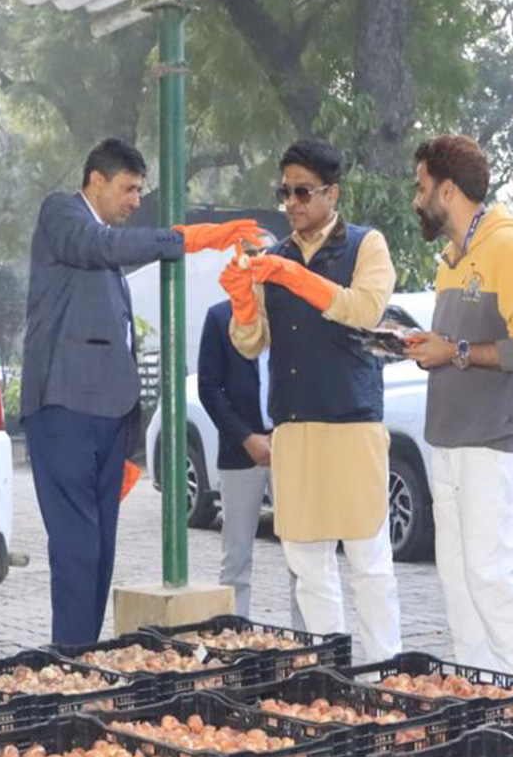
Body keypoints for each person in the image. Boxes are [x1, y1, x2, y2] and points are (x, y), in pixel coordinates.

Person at [22, 138, 261, 646]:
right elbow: (98, 247)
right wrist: (184, 239)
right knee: (77, 546)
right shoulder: (63, 215)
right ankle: (70, 657)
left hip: (108, 418)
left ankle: (83, 654)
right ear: (96, 181)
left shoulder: (103, 243)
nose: (135, 200)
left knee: (101, 547)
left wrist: (131, 433)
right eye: (129, 189)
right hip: (64, 408)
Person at [219, 138, 402, 661]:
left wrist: (297, 277)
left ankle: (384, 671)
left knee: (369, 560)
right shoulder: (271, 258)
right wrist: (242, 302)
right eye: (285, 192)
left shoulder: (367, 245)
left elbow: (365, 310)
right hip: (294, 428)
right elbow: (250, 342)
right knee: (306, 562)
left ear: (332, 193)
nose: (293, 203)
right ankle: (331, 669)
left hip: (352, 423)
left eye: (303, 192)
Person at [404, 134, 513, 679]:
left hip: (491, 443)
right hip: (448, 441)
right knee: (458, 581)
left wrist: (458, 351)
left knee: (491, 578)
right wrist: (431, 347)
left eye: (421, 187)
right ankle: (482, 700)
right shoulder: (453, 257)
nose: (415, 199)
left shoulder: (508, 247)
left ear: (447, 190)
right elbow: (455, 349)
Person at [197, 295, 277, 619]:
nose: (258, 263)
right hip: (239, 449)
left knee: (304, 555)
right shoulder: (219, 317)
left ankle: (308, 642)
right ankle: (235, 639)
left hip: (290, 443)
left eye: (265, 255)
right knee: (236, 556)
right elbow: (209, 387)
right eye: (250, 255)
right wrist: (246, 437)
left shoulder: (289, 310)